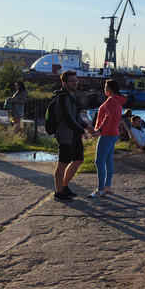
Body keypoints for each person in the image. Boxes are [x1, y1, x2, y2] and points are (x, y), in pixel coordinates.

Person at [53, 70, 96, 202]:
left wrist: (87, 127)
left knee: (78, 159)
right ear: (64, 83)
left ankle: (64, 186)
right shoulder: (62, 97)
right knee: (63, 163)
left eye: (76, 80)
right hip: (65, 134)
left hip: (74, 133)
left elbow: (76, 118)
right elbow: (68, 118)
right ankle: (58, 192)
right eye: (72, 81)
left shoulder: (73, 97)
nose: (75, 83)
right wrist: (81, 130)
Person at [88, 79, 127, 198]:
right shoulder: (118, 101)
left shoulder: (111, 100)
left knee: (99, 161)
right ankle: (107, 186)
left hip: (107, 134)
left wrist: (99, 130)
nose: (104, 89)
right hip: (114, 133)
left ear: (110, 89)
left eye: (106, 87)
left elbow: (108, 117)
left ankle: (100, 189)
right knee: (108, 160)